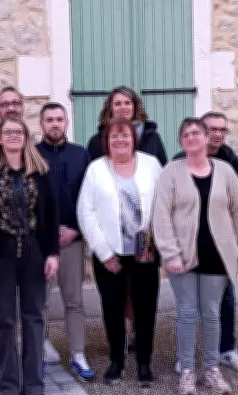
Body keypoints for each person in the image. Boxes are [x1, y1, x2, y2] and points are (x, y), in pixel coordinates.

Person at [153, 117, 238, 395]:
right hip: (181, 257)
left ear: (207, 138)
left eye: (197, 133)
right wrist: (170, 253)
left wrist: (228, 241)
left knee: (211, 314)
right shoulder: (171, 172)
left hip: (216, 256)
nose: (192, 137)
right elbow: (161, 216)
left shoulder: (226, 170)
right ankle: (186, 371)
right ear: (181, 141)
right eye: (186, 134)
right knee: (185, 313)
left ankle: (211, 370)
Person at [0, 116, 59, 395]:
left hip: (35, 250)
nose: (12, 136)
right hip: (1, 254)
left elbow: (50, 217)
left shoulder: (41, 172)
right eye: (6, 132)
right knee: (5, 320)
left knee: (34, 317)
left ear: (26, 137)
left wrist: (53, 254)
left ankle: (34, 382)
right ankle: (8, 385)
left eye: (17, 132)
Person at [77, 116, 163, 387]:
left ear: (134, 138)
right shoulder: (96, 169)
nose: (120, 140)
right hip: (110, 252)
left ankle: (144, 363)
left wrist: (155, 242)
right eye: (114, 136)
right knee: (112, 307)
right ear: (107, 141)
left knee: (146, 306)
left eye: (125, 135)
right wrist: (103, 252)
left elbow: (162, 203)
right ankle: (116, 360)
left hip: (144, 246)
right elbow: (85, 212)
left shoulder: (151, 164)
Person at [85, 86, 168, 350]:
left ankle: (140, 339)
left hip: (143, 235)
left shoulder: (152, 139)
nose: (122, 107)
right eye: (117, 103)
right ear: (110, 108)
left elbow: (162, 184)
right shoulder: (96, 141)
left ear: (135, 107)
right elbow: (91, 191)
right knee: (115, 291)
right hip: (112, 231)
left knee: (142, 290)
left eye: (127, 103)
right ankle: (118, 349)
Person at [171, 111, 238, 373]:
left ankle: (226, 350)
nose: (217, 134)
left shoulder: (231, 163)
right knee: (189, 306)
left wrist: (233, 239)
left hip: (223, 245)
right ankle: (187, 357)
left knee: (224, 301)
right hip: (188, 245)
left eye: (221, 130)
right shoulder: (177, 164)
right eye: (212, 129)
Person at [36, 103, 95, 382]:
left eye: (59, 119)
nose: (55, 124)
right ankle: (37, 353)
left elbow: (89, 199)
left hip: (72, 239)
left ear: (67, 122)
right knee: (39, 301)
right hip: (40, 242)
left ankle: (78, 354)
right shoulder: (31, 154)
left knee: (74, 300)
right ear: (41, 124)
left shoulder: (80, 154)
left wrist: (76, 230)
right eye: (49, 120)